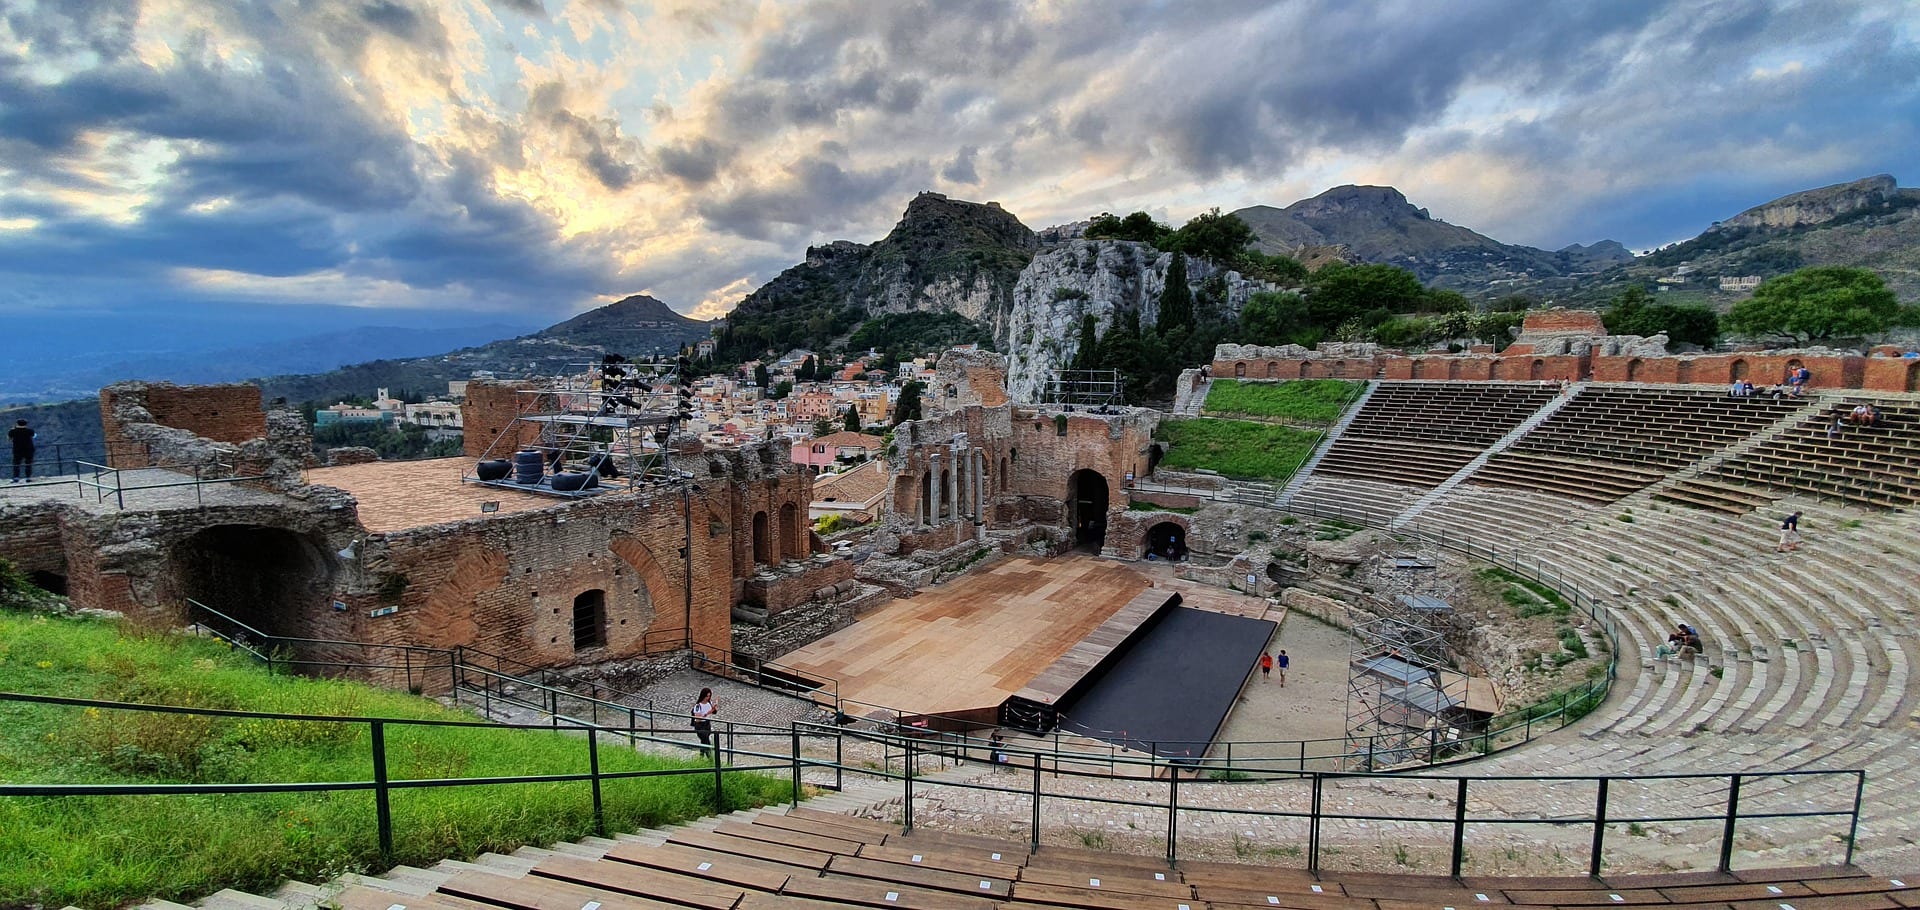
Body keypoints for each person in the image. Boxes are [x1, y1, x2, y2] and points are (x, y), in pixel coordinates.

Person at [691, 687, 717, 755]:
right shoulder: (698, 706)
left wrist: (714, 708)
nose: (707, 698)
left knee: (704, 741)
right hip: (700, 726)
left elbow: (713, 711)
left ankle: (702, 755)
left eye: (709, 696)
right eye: (706, 696)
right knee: (706, 741)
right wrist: (706, 714)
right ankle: (710, 758)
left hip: (707, 724)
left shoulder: (709, 703)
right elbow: (697, 719)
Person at [8, 419, 33, 483]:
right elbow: (34, 436)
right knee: (28, 463)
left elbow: (9, 438)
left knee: (16, 464)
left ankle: (16, 478)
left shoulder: (13, 431)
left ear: (17, 424)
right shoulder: (29, 430)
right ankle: (28, 478)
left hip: (17, 450)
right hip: (28, 449)